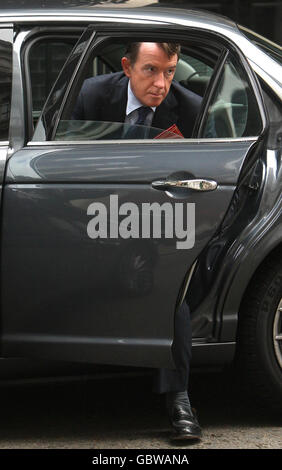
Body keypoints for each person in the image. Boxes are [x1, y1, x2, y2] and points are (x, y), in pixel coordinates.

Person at [73, 41, 202, 441]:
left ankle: (179, 399)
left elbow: (198, 179)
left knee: (172, 291)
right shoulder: (94, 94)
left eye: (169, 71)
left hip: (157, 222)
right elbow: (68, 158)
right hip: (92, 216)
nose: (161, 83)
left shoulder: (191, 107)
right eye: (150, 70)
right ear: (127, 67)